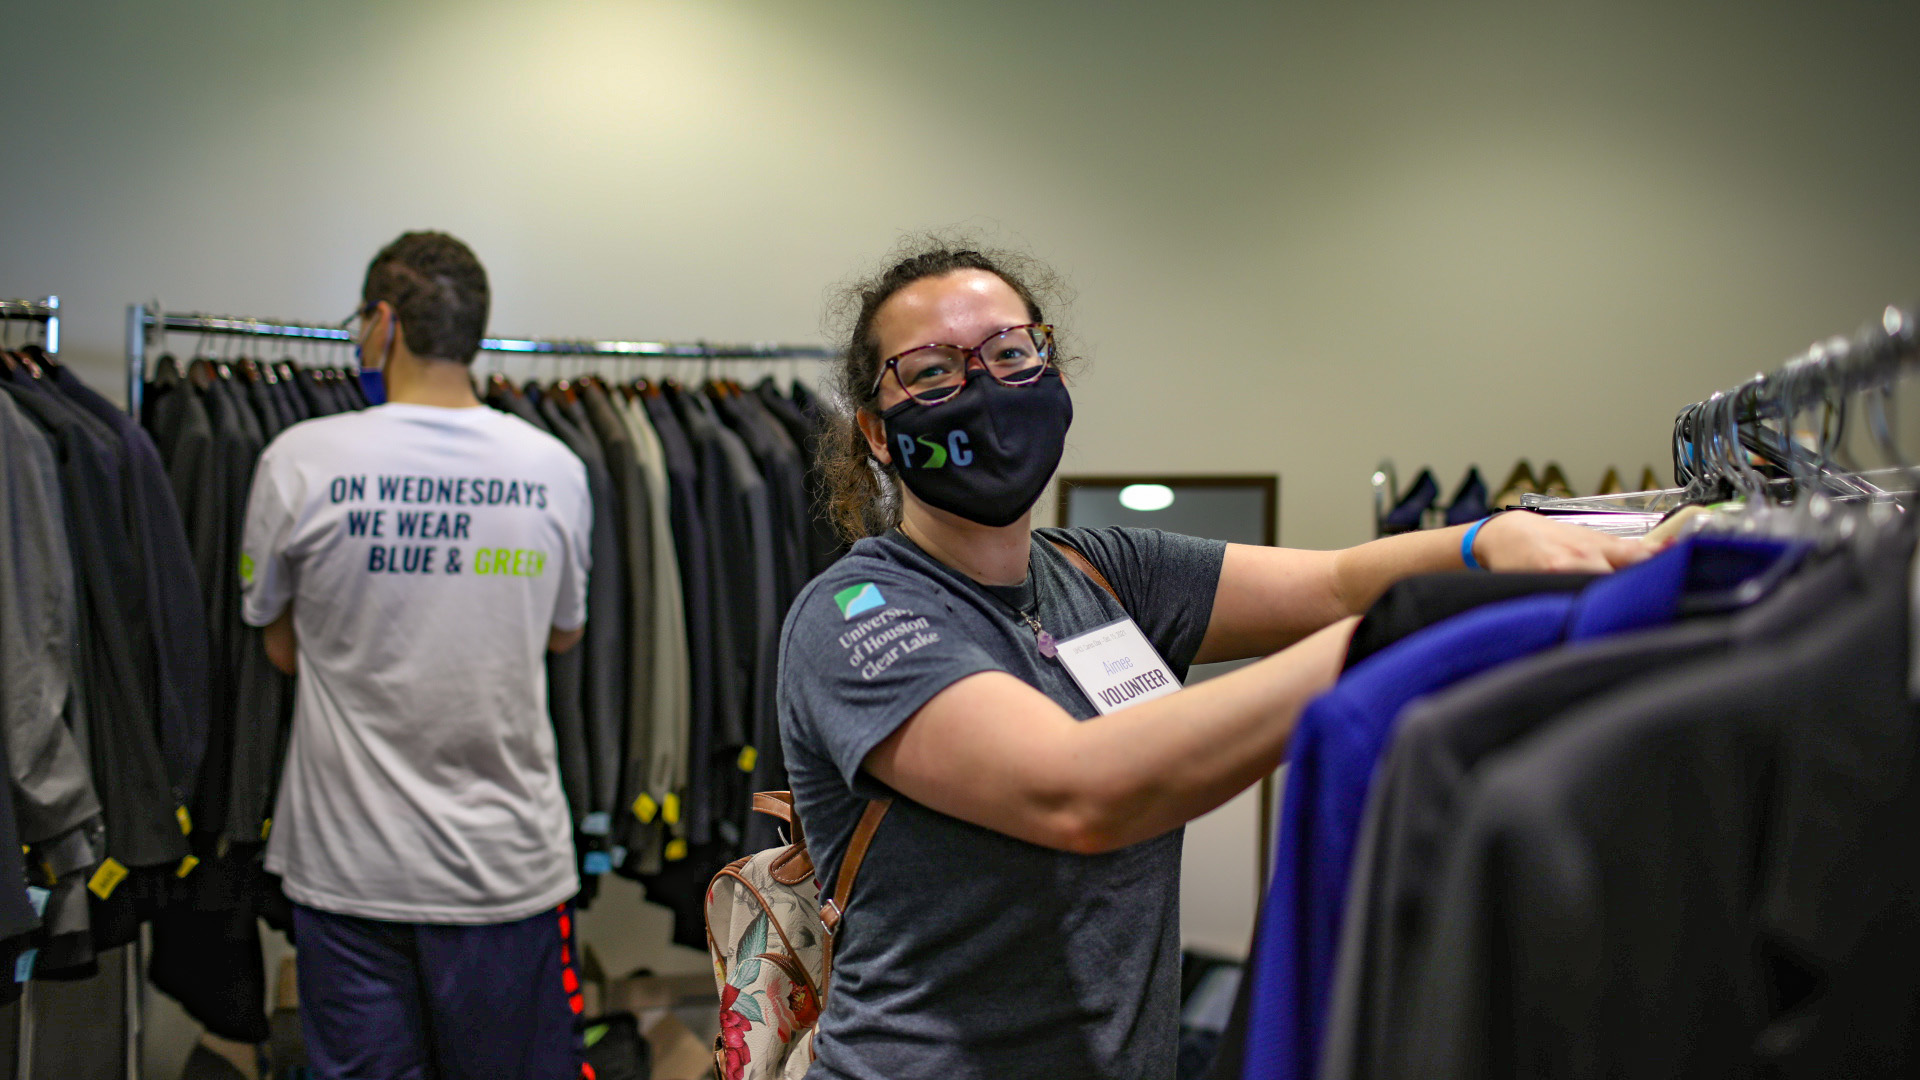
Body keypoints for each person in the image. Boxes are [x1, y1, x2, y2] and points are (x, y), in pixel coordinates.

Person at [776, 240, 1652, 1080]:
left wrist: (1488, 542)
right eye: (933, 372)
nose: (983, 387)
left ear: (1056, 379)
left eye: (1011, 354)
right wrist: (1402, 635)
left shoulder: (1102, 572)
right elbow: (1077, 790)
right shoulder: (857, 613)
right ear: (877, 433)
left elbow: (1339, 581)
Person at [239, 231, 595, 1079]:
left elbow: (279, 647)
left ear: (383, 322)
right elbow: (563, 634)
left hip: (349, 867)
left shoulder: (299, 460)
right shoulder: (553, 468)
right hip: (504, 868)